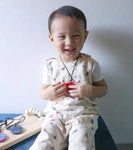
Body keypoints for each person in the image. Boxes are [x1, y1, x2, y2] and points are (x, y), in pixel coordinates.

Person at [29, 5, 107, 150]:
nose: (69, 42)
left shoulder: (91, 64)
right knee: (43, 142)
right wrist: (49, 93)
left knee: (82, 143)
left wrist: (89, 90)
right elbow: (43, 91)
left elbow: (103, 89)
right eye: (61, 36)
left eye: (76, 36)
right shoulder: (50, 65)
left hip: (83, 115)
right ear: (52, 39)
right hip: (56, 115)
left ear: (85, 36)